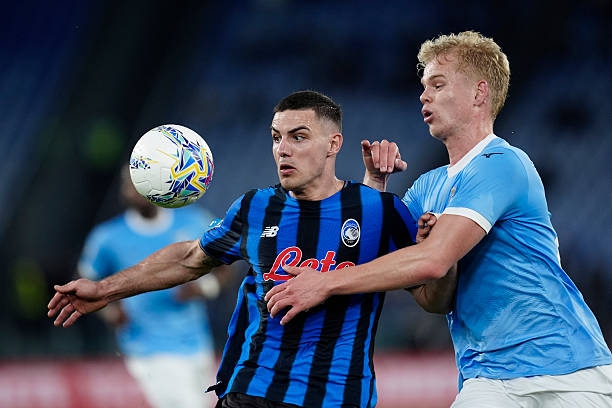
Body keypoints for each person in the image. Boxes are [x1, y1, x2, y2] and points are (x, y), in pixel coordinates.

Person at [265, 32, 612, 407]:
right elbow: (430, 297)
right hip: (487, 376)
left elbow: (431, 260)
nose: (423, 95)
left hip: (565, 369)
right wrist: (376, 184)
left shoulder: (503, 163)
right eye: (423, 86)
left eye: (438, 84)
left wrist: (327, 283)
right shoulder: (425, 189)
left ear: (479, 93)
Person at [48, 90, 429, 408]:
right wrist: (105, 289)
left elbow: (431, 291)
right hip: (252, 390)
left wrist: (427, 243)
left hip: (339, 396)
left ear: (333, 144)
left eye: (298, 137)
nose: (283, 150)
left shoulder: (380, 210)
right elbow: (190, 259)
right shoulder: (255, 207)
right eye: (276, 138)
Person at [76, 167, 222, 408]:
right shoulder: (107, 237)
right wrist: (109, 311)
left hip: (196, 341)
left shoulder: (193, 221)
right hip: (147, 347)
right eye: (128, 184)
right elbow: (85, 279)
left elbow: (227, 262)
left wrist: (207, 287)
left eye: (140, 182)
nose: (134, 190)